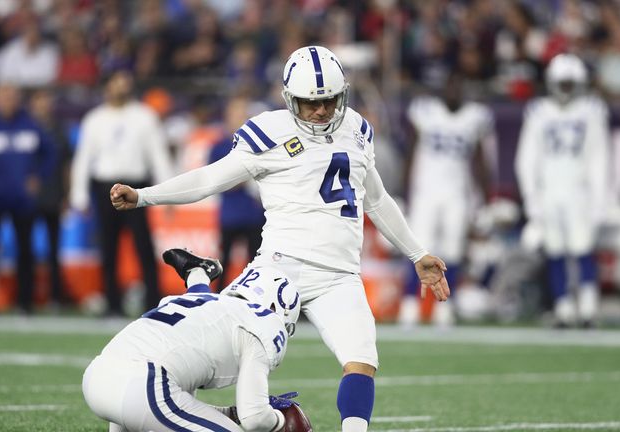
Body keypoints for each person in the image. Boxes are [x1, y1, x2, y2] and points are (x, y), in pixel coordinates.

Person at [110, 45, 450, 432]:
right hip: (279, 267)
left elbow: (376, 199)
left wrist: (416, 253)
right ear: (290, 99)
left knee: (362, 357)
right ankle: (164, 401)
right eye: (309, 103)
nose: (321, 111)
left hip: (338, 275)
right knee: (219, 346)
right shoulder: (269, 132)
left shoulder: (356, 128)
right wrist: (145, 196)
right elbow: (208, 179)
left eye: (329, 101)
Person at [83, 248, 301, 432]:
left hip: (98, 377)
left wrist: (230, 414)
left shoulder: (195, 302)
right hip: (144, 388)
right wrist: (282, 422)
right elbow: (254, 418)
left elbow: (182, 401)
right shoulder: (264, 322)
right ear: (276, 307)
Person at [516, 53, 609, 328]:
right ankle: (564, 308)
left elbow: (599, 158)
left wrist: (600, 197)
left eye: (570, 83)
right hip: (549, 191)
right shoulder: (539, 111)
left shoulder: (591, 110)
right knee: (554, 250)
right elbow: (526, 159)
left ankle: (589, 308)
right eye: (562, 83)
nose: (566, 89)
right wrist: (531, 197)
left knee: (583, 248)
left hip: (579, 190)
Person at [70, 70, 171, 315]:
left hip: (136, 187)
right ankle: (112, 304)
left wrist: (169, 191)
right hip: (105, 187)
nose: (122, 86)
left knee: (144, 247)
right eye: (117, 82)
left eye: (126, 81)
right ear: (107, 87)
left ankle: (152, 301)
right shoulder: (95, 119)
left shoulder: (144, 116)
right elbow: (83, 159)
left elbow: (158, 155)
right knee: (108, 248)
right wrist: (79, 195)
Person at [399, 73, 495, 327]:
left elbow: (480, 162)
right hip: (426, 193)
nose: (453, 92)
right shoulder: (425, 112)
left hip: (457, 193)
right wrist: (403, 192)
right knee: (418, 249)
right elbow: (410, 154)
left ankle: (444, 307)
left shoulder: (474, 118)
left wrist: (486, 201)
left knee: (452, 251)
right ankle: (409, 304)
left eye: (458, 87)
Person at [0, 83, 56, 314]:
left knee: (25, 251)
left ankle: (25, 303)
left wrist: (38, 177)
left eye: (12, 96)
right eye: (3, 96)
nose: (8, 100)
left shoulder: (30, 124)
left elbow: (50, 153)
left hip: (21, 199)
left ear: (18, 99)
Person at [208, 96, 266, 290]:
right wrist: (244, 177)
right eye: (236, 114)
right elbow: (218, 181)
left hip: (254, 214)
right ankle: (215, 301)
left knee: (256, 265)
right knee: (222, 264)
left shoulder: (257, 145)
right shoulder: (219, 146)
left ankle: (253, 301)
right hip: (230, 215)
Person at [29, 89, 72, 308]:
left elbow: (67, 166)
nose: (44, 105)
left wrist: (67, 195)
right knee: (25, 247)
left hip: (53, 194)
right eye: (40, 100)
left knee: (54, 249)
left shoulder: (59, 131)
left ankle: (55, 296)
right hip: (28, 197)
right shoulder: (25, 129)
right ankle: (26, 296)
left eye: (47, 100)